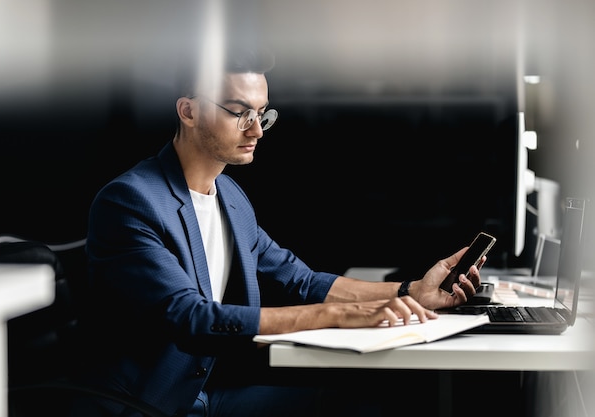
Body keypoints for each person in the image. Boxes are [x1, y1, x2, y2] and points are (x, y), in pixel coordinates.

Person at [76, 44, 484, 417]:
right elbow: (190, 317)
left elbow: (300, 280)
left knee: (364, 401)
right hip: (148, 404)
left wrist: (411, 291)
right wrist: (339, 316)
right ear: (188, 111)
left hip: (208, 393)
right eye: (239, 113)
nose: (256, 131)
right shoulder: (130, 201)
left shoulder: (230, 198)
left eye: (262, 114)